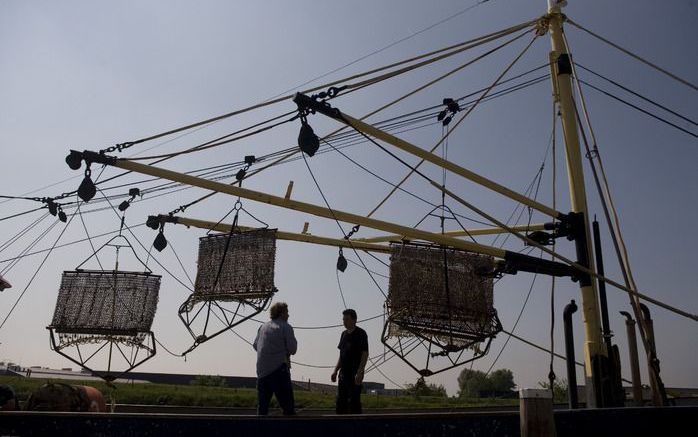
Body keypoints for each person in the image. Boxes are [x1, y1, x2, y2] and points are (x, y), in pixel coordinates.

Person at [253, 301, 297, 415]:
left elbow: (255, 345)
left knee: (262, 408)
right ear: (281, 313)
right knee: (288, 407)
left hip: (262, 372)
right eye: (287, 312)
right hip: (279, 370)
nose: (288, 315)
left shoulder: (262, 327)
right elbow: (293, 349)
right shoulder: (286, 327)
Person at [331, 308, 368, 414]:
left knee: (354, 402)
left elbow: (365, 354)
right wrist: (335, 370)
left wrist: (360, 371)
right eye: (343, 320)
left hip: (355, 373)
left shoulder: (361, 334)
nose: (344, 322)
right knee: (341, 401)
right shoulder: (343, 334)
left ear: (354, 320)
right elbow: (341, 355)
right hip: (343, 373)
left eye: (347, 319)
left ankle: (356, 426)